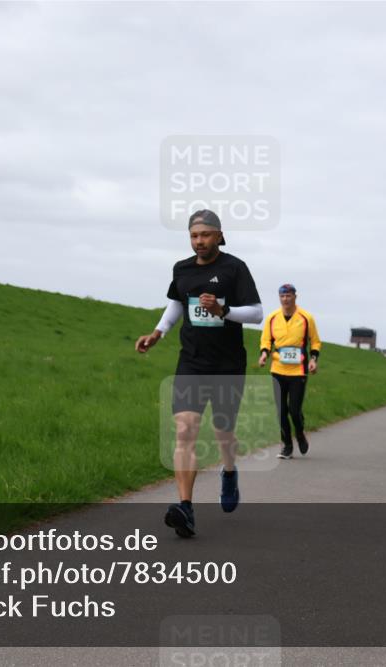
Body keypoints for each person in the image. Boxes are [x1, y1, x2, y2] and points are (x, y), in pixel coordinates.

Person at [135, 210, 261, 538]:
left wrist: (224, 311)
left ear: (219, 235)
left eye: (205, 235)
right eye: (194, 236)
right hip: (191, 361)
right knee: (185, 429)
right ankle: (186, 508)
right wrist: (157, 333)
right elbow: (177, 303)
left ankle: (229, 471)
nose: (199, 242)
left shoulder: (235, 268)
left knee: (224, 432)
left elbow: (257, 313)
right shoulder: (183, 269)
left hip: (228, 365)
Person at [259, 284, 321, 459]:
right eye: (282, 296)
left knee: (294, 410)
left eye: (289, 296)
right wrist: (264, 354)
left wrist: (314, 360)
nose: (285, 299)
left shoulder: (306, 317)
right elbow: (266, 340)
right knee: (280, 410)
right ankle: (287, 445)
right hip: (277, 369)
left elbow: (315, 342)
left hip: (298, 371)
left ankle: (300, 433)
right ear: (279, 298)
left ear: (295, 297)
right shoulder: (272, 318)